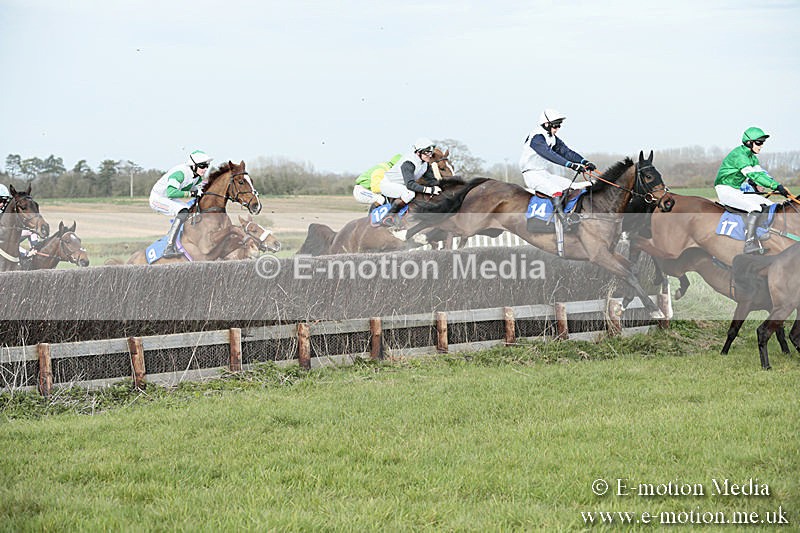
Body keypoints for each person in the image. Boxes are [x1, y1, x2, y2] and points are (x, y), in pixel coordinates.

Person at [714, 127, 789, 254]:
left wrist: (777, 185)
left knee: (769, 205)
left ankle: (761, 232)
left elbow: (761, 174)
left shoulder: (752, 158)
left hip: (735, 190)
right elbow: (754, 176)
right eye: (759, 143)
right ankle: (749, 243)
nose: (761, 146)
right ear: (749, 143)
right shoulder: (740, 155)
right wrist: (775, 186)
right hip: (725, 189)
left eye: (762, 143)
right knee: (756, 208)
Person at [518, 109, 597, 217]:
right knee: (557, 191)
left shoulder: (552, 138)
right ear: (546, 124)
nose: (558, 128)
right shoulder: (536, 138)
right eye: (555, 126)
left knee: (572, 186)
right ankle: (562, 221)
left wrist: (584, 161)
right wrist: (570, 165)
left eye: (559, 125)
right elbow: (549, 154)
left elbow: (566, 152)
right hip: (532, 175)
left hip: (544, 174)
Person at [149, 149, 213, 258]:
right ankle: (168, 247)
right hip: (158, 199)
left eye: (207, 166)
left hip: (168, 198)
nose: (205, 169)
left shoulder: (197, 177)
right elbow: (172, 192)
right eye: (202, 166)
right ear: (193, 165)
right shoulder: (180, 173)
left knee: (190, 210)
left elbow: (198, 189)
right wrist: (193, 193)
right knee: (182, 211)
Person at [379, 138, 442, 227]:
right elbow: (410, 185)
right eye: (427, 152)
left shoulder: (425, 164)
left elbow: (432, 181)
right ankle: (388, 217)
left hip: (402, 185)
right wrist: (430, 190)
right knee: (410, 193)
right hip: (388, 184)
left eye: (430, 152)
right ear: (418, 152)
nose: (430, 155)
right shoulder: (408, 163)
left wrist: (442, 188)